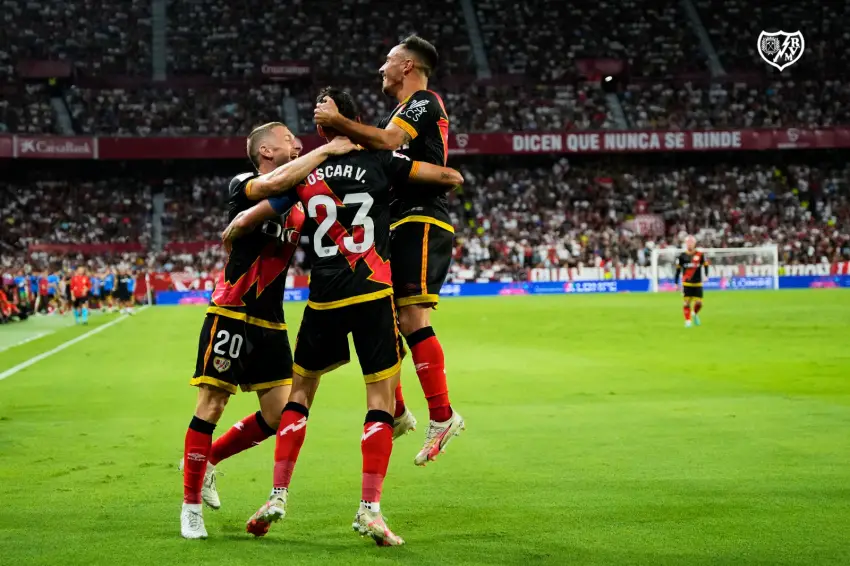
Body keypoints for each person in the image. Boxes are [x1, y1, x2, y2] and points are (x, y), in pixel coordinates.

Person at [231, 87, 464, 546]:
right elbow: (447, 177)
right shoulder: (382, 162)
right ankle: (370, 510)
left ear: (324, 129)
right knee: (380, 399)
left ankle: (277, 495)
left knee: (300, 395)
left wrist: (236, 225)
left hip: (323, 297)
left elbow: (257, 210)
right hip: (373, 291)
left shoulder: (307, 169)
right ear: (361, 125)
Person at [179, 121, 357, 540]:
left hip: (272, 321)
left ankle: (211, 463)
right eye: (288, 139)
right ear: (265, 152)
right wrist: (329, 150)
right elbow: (275, 189)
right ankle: (189, 508)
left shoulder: (297, 201)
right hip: (232, 311)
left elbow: (320, 208)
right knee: (213, 404)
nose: (297, 143)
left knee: (279, 415)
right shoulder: (244, 182)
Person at [315, 36, 464, 465]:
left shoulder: (422, 101)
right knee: (384, 317)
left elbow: (387, 141)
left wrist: (341, 122)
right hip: (396, 222)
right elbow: (379, 148)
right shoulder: (395, 114)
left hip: (421, 216)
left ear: (407, 66)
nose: (381, 68)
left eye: (387, 60)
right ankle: (397, 410)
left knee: (412, 317)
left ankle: (442, 416)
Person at [675, 235, 710, 328]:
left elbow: (706, 265)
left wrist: (706, 275)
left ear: (694, 244)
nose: (690, 244)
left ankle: (694, 313)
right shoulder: (682, 256)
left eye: (691, 242)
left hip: (697, 283)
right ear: (686, 244)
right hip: (686, 283)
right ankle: (688, 321)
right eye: (688, 242)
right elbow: (678, 270)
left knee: (699, 303)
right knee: (686, 303)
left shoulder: (700, 255)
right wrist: (675, 283)